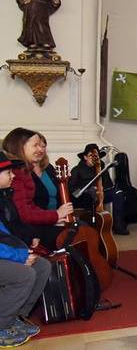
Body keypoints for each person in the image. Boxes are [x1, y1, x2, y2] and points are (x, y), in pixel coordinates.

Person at [0, 152, 50, 348]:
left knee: (42, 266)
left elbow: (7, 235)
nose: (13, 175)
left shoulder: (4, 197)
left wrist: (25, 251)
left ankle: (15, 316)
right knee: (24, 275)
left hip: (5, 253)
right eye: (8, 172)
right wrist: (20, 256)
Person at [1, 128, 72, 250]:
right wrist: (55, 215)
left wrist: (55, 217)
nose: (41, 149)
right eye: (35, 145)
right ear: (20, 147)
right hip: (21, 231)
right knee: (72, 234)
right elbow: (24, 214)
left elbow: (31, 206)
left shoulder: (24, 170)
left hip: (29, 226)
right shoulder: (16, 173)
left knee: (78, 229)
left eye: (42, 146)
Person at [69, 144, 128, 235]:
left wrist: (101, 187)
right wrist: (88, 190)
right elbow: (72, 189)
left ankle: (118, 225)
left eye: (96, 156)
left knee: (118, 193)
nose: (94, 158)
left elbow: (108, 184)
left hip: (101, 194)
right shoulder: (77, 170)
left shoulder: (101, 166)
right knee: (91, 195)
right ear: (85, 157)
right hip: (85, 197)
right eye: (90, 156)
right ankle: (92, 226)